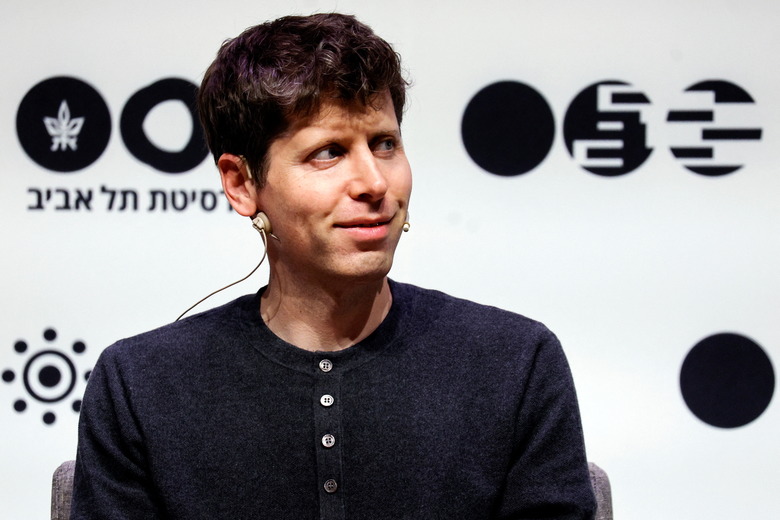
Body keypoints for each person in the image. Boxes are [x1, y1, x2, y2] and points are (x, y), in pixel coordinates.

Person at [71, 13, 596, 520]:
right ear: (241, 183)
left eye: (385, 144)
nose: (373, 183)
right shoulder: (139, 386)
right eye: (328, 152)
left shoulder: (516, 363)